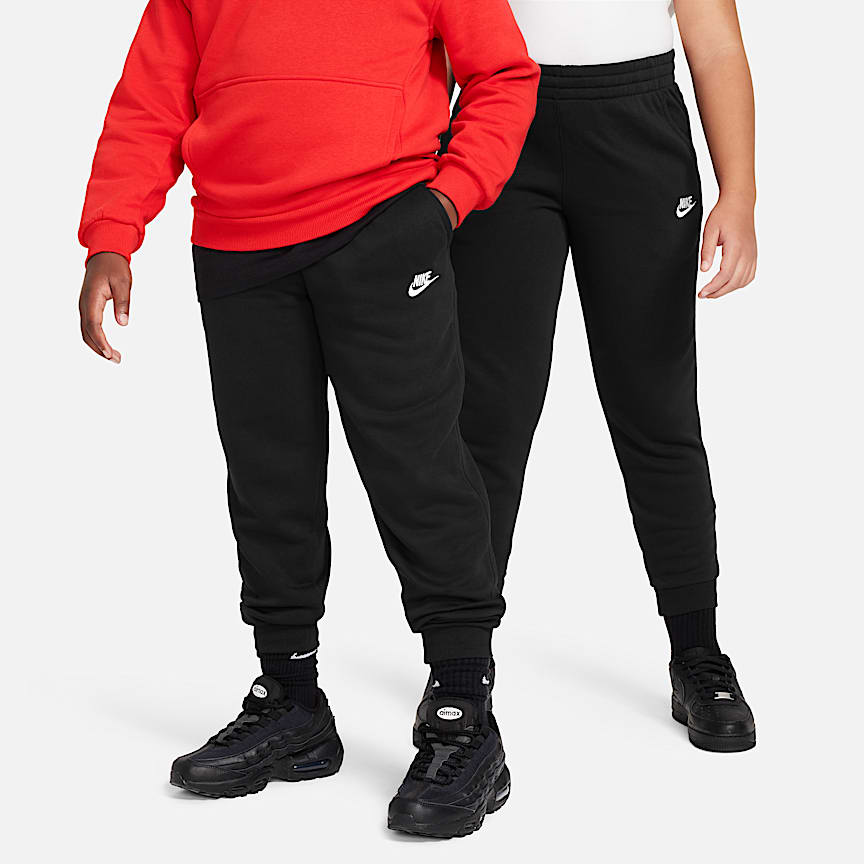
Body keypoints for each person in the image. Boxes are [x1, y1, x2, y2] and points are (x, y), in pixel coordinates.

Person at [77, 0, 539, 833]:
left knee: (417, 468)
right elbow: (151, 97)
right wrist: (112, 233)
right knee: (269, 478)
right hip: (237, 248)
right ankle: (291, 699)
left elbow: (503, 74)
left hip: (384, 227)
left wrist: (445, 201)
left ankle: (464, 708)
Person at [447, 0, 758, 752]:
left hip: (636, 127)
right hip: (499, 120)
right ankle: (460, 665)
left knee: (656, 405)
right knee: (488, 417)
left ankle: (698, 651)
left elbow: (715, 44)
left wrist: (740, 191)